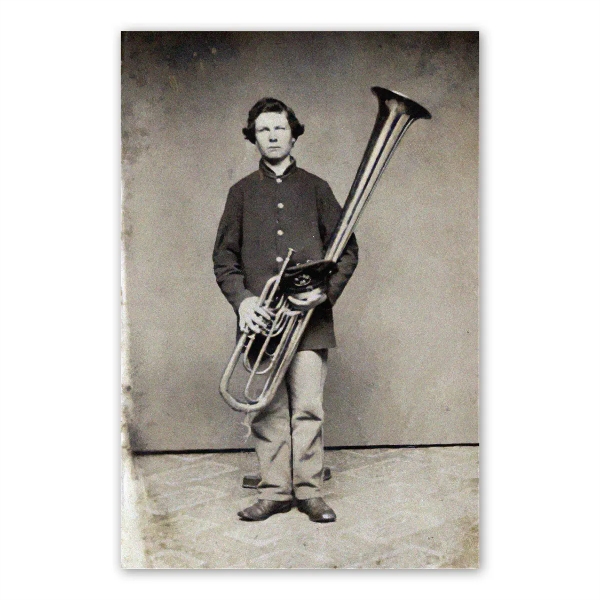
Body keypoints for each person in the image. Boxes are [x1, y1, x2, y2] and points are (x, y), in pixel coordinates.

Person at [213, 97, 358, 523]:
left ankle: (310, 491)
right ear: (253, 138)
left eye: (279, 128)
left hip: (309, 321)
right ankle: (275, 491)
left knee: (308, 406)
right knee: (268, 408)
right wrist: (243, 302)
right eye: (263, 130)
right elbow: (224, 259)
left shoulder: (317, 188)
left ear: (293, 133)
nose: (272, 136)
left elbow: (347, 250)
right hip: (263, 322)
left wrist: (324, 293)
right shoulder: (240, 193)